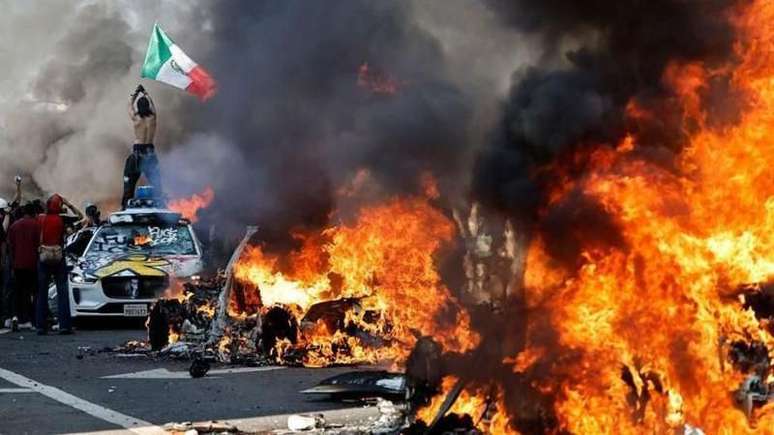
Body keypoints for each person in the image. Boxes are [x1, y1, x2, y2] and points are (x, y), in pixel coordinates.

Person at [35, 194, 72, 335]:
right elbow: (79, 219)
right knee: (62, 291)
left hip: (43, 257)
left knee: (42, 293)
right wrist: (68, 205)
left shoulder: (40, 219)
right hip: (58, 257)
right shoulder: (61, 219)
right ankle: (64, 325)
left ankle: (41, 326)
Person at [123, 84, 161, 208]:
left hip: (137, 155)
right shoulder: (153, 117)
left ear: (139, 107)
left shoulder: (136, 119)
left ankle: (125, 207)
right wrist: (145, 93)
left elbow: (129, 104)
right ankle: (161, 205)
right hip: (149, 152)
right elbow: (152, 105)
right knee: (157, 183)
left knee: (129, 185)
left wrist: (136, 92)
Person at [7, 203, 40, 330]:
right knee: (33, 292)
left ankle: (16, 317)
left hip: (17, 264)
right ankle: (33, 320)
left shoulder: (14, 226)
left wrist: (12, 263)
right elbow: (38, 244)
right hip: (32, 264)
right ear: (33, 213)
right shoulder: (36, 225)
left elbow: (11, 246)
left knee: (18, 292)